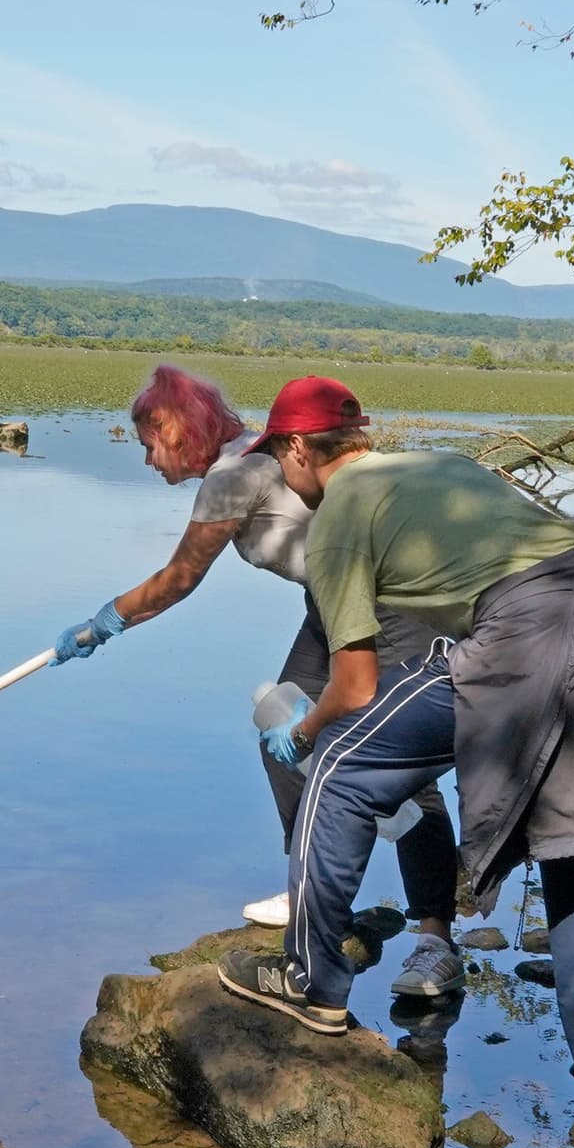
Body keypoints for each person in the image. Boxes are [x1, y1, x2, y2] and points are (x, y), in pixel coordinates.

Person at [217, 378, 574, 1148]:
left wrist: (301, 730)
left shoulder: (341, 511)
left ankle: (311, 984)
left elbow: (354, 688)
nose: (284, 477)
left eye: (280, 459)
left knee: (340, 763)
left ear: (298, 449)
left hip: (525, 644)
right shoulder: (446, 465)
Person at [50, 365, 465, 1009]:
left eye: (147, 443)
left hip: (394, 614)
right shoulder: (255, 459)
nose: (146, 460)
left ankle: (435, 938)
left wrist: (105, 622)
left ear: (176, 432)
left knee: (405, 771)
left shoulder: (233, 477)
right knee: (283, 732)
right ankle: (312, 891)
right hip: (328, 610)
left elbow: (179, 578)